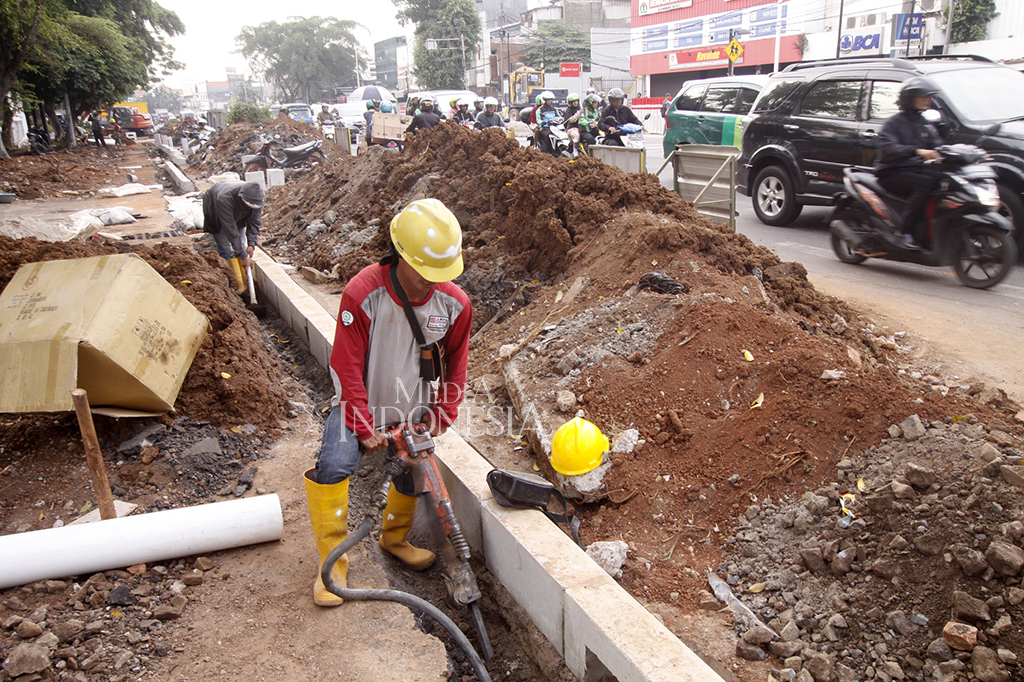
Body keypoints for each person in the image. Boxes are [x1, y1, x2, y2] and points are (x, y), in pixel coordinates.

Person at [304, 198, 472, 607]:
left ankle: (393, 539)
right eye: (424, 271)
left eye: (440, 273)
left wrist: (442, 415)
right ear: (401, 256)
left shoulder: (454, 305)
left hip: (412, 409)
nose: (433, 281)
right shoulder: (364, 293)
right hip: (358, 406)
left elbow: (457, 366)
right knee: (334, 464)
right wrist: (363, 425)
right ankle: (333, 561)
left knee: (412, 472)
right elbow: (345, 365)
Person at [875, 77, 946, 249]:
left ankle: (931, 231)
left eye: (928, 96)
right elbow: (889, 148)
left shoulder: (924, 123)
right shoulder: (894, 123)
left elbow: (937, 145)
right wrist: (916, 151)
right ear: (910, 98)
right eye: (922, 96)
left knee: (943, 179)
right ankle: (904, 232)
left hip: (915, 169)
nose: (927, 99)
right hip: (891, 172)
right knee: (925, 183)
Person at [201, 181, 265, 293]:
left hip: (236, 214)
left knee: (241, 244)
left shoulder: (257, 199)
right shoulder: (224, 199)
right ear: (240, 199)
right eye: (245, 206)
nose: (247, 208)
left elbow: (254, 223)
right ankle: (232, 284)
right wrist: (244, 256)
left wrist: (251, 244)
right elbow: (230, 229)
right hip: (216, 210)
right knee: (225, 247)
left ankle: (244, 286)